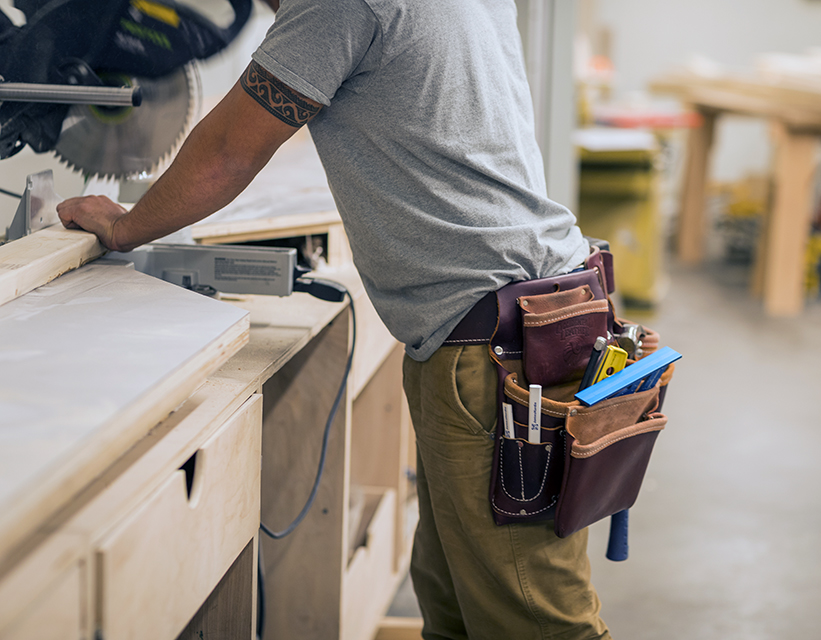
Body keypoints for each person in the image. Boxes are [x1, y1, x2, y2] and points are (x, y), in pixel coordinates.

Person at [58, 1, 610, 638]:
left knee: (536, 622)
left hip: (494, 350)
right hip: (539, 309)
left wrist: (124, 226)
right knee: (458, 606)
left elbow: (228, 151)